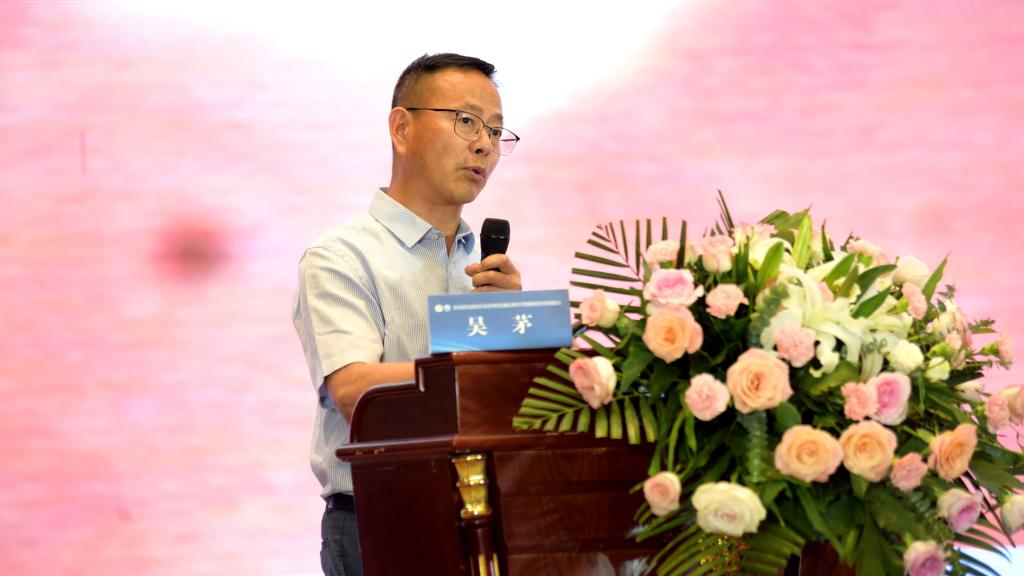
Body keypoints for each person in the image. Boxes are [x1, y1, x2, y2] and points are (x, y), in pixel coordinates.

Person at [291, 53, 523, 576]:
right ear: (401, 128)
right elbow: (355, 390)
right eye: (466, 121)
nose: (484, 145)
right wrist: (477, 366)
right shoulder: (342, 256)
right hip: (382, 519)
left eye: (496, 131)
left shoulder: (483, 267)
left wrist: (516, 330)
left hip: (489, 516)